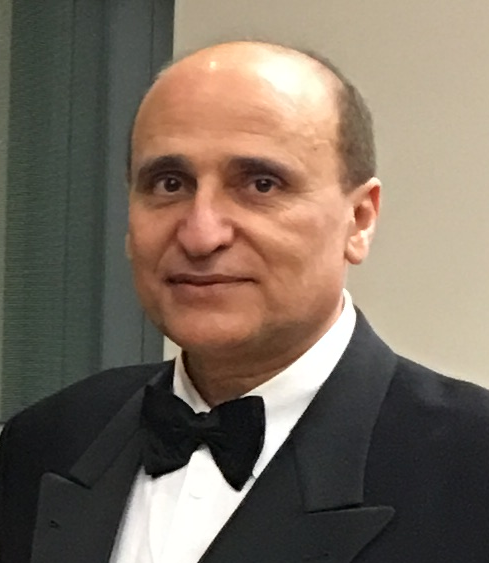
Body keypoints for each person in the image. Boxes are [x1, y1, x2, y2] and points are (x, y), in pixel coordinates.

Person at [1, 40, 489, 563]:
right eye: (169, 183)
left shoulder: (471, 467)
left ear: (359, 220)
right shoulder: (44, 441)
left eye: (261, 184)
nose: (200, 235)